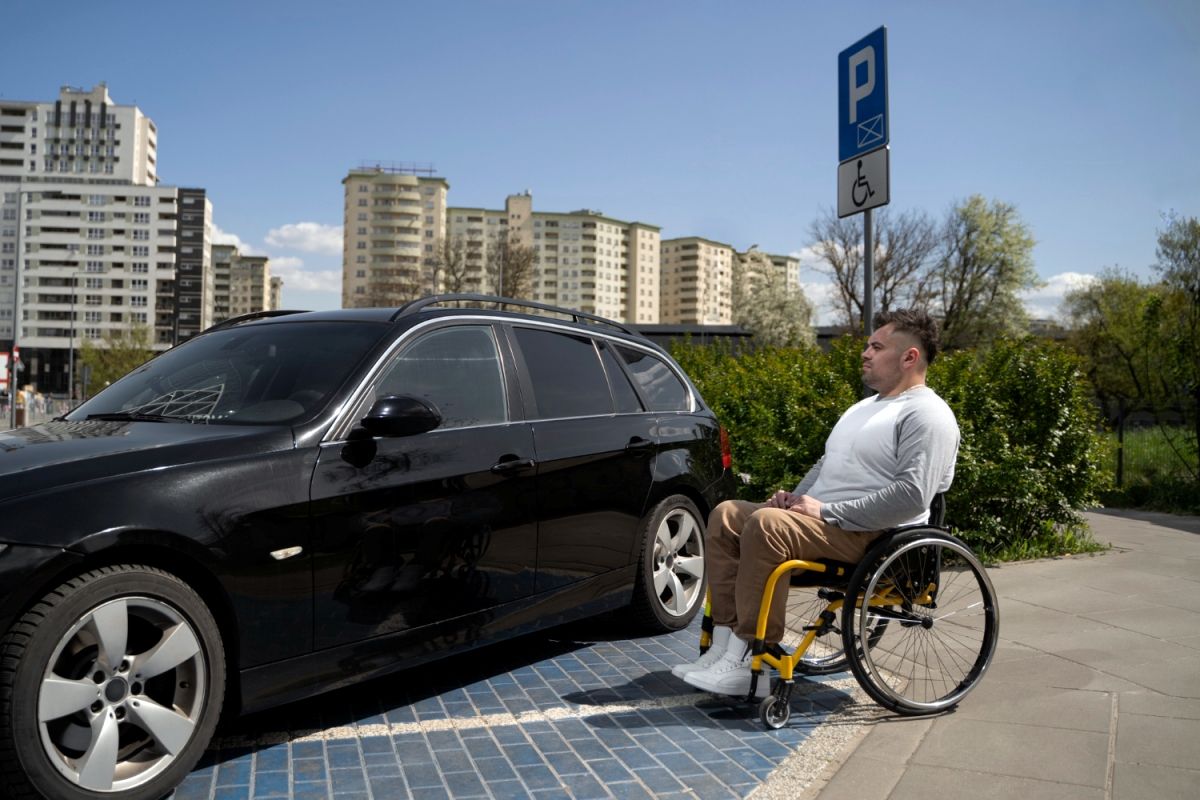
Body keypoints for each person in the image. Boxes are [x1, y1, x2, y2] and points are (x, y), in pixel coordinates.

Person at [674, 309, 960, 697]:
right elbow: (828, 465)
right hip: (826, 525)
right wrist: (793, 498)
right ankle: (725, 648)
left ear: (909, 357)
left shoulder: (927, 414)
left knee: (767, 526)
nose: (866, 353)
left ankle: (749, 662)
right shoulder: (864, 408)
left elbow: (911, 496)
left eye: (877, 346)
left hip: (872, 535)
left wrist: (825, 511)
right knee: (727, 515)